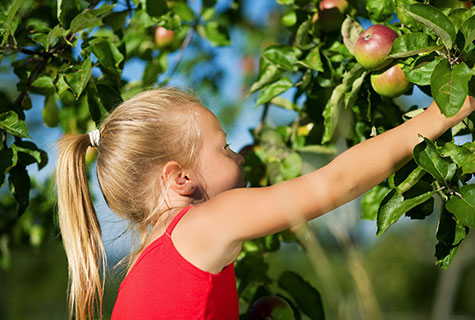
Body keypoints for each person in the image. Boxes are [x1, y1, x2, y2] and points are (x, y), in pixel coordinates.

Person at [55, 87, 474, 320]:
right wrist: (443, 112)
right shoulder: (203, 224)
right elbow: (335, 183)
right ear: (180, 178)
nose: (239, 156)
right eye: (225, 147)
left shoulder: (144, 270)